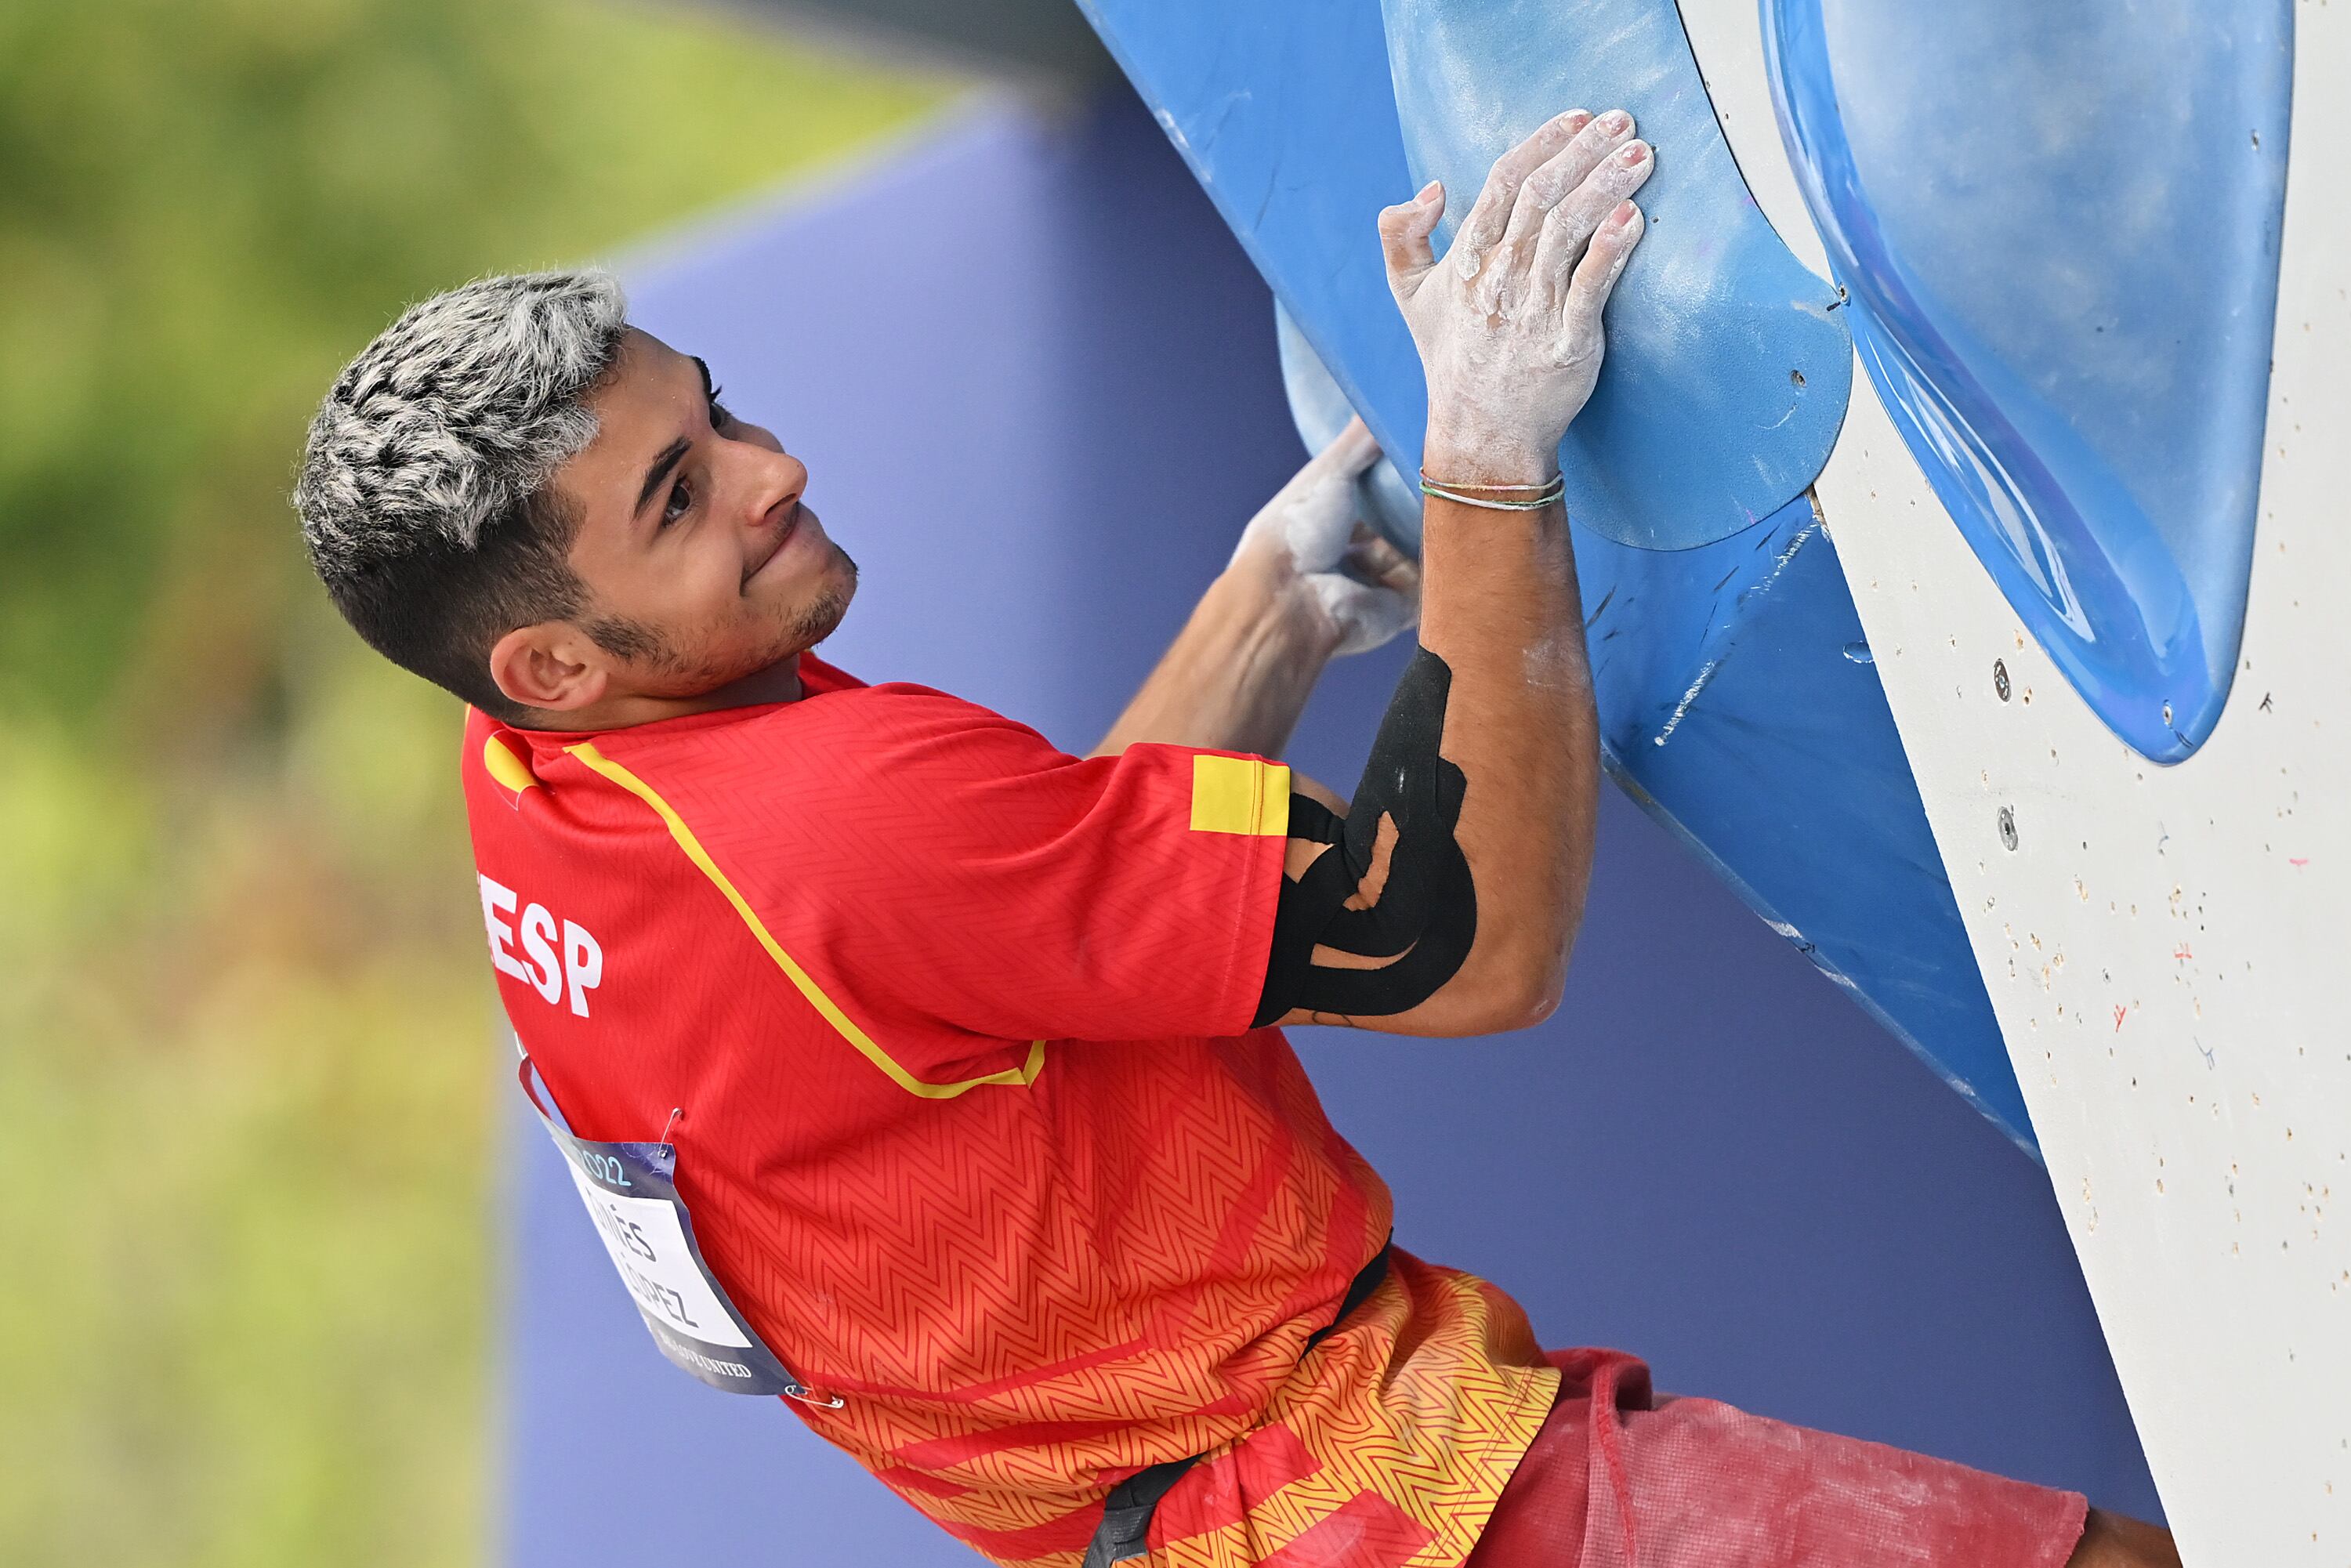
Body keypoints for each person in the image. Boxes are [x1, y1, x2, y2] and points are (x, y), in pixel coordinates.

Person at [294, 108, 2177, 1568]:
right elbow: (1465, 943)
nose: (777, 472)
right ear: (549, 657)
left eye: (724, 414)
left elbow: (1030, 927)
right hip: (1356, 1499)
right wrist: (1490, 461)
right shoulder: (835, 820)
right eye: (684, 496)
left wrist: (1276, 596)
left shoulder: (542, 787)